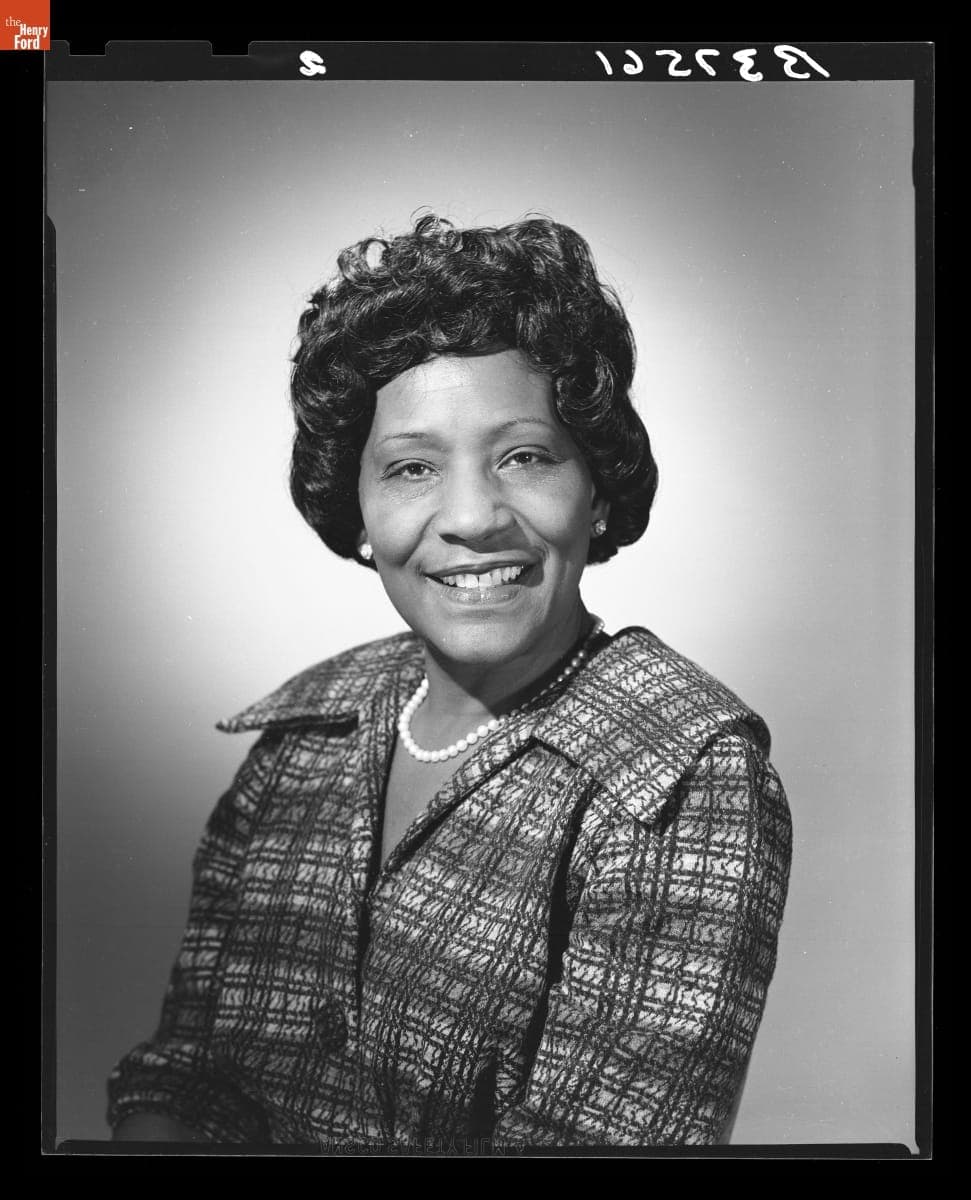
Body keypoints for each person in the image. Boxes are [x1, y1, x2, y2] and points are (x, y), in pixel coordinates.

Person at [108, 214, 792, 1149]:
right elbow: (184, 1074)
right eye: (412, 467)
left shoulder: (679, 770)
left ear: (595, 490)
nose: (470, 516)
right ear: (355, 510)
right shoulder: (304, 737)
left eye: (525, 456)